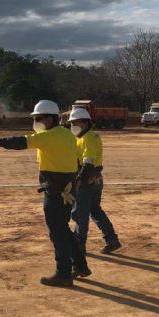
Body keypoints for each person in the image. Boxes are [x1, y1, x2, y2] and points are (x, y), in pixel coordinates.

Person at [0, 100, 89, 287]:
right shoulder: (67, 135)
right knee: (63, 229)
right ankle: (80, 265)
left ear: (49, 119)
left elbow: (21, 142)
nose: (37, 121)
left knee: (57, 232)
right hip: (68, 189)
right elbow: (76, 161)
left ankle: (63, 273)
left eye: (38, 118)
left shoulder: (48, 136)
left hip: (56, 191)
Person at [67, 107, 122, 255]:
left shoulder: (87, 139)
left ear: (85, 123)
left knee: (80, 214)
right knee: (96, 211)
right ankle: (112, 240)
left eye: (75, 122)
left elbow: (88, 163)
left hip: (87, 180)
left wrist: (79, 180)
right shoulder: (87, 137)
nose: (72, 126)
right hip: (96, 180)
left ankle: (79, 247)